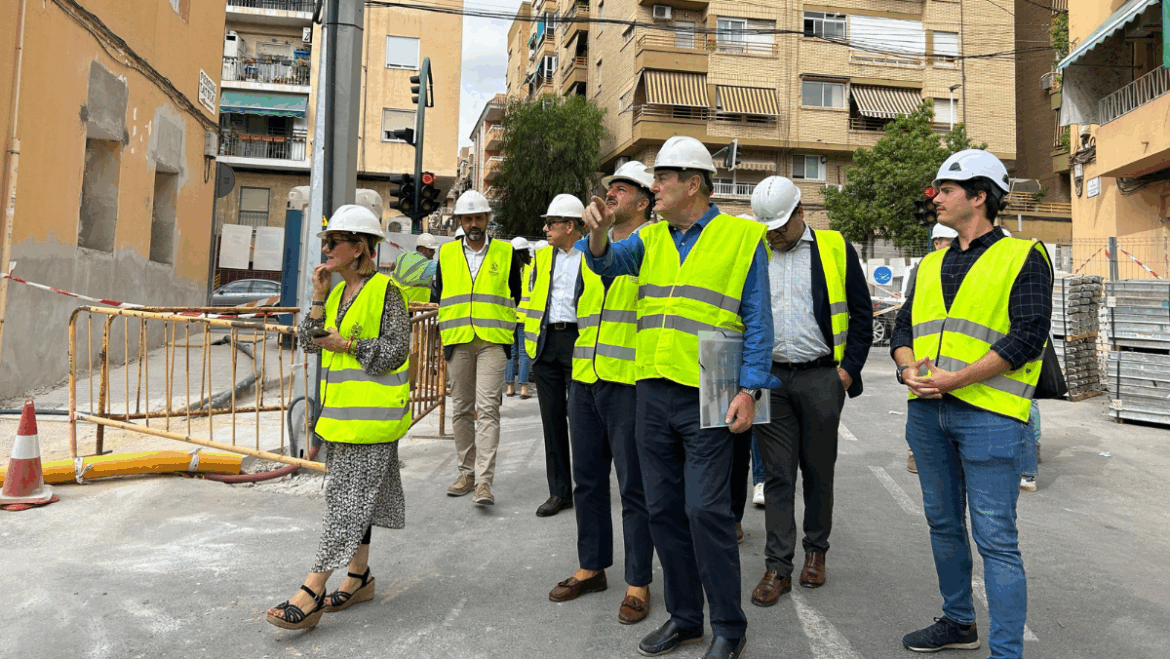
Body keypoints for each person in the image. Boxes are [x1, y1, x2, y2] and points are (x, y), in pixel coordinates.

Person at [579, 135, 779, 659]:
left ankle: (729, 627)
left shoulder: (742, 237)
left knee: (706, 510)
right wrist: (597, 235)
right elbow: (605, 265)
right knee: (662, 509)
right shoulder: (649, 237)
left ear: (693, 184)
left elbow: (758, 320)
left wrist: (751, 389)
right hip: (652, 383)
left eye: (662, 178)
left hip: (714, 382)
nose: (655, 187)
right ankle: (686, 618)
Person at [892, 149, 1052, 658]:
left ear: (980, 196)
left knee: (996, 539)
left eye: (946, 189)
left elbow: (1028, 336)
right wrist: (906, 369)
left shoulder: (1024, 256)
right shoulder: (930, 263)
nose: (935, 198)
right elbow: (903, 329)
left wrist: (957, 379)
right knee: (943, 525)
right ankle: (959, 622)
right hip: (927, 413)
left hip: (990, 416)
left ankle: (1006, 652)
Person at [266, 205, 412, 630]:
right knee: (357, 500)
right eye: (326, 242)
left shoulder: (387, 291)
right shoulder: (335, 293)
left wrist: (347, 345)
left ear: (359, 247)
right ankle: (359, 577)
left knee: (345, 503)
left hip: (373, 421)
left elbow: (395, 351)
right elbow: (310, 344)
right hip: (342, 418)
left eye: (334, 242)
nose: (326, 248)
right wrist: (316, 297)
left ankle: (311, 591)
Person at [746, 176, 873, 608]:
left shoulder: (835, 248)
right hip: (770, 379)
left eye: (780, 227)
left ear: (801, 213)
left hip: (821, 377)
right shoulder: (756, 250)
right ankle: (777, 567)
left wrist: (847, 372)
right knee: (778, 474)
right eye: (768, 229)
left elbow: (861, 314)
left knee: (818, 471)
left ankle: (816, 552)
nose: (774, 236)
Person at [549, 161, 655, 624]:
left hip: (629, 381)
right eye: (611, 186)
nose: (612, 192)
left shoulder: (655, 243)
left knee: (634, 486)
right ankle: (592, 566)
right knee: (588, 480)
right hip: (586, 377)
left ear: (644, 202)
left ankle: (638, 581)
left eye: (624, 188)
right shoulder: (590, 247)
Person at [432, 190, 524, 506]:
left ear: (487, 219)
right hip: (458, 340)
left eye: (478, 218)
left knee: (487, 409)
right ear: (460, 221)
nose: (473, 223)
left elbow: (515, 292)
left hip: (492, 342)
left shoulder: (506, 252)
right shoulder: (446, 254)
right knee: (461, 409)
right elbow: (440, 294)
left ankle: (484, 482)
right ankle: (466, 473)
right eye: (468, 218)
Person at [524, 194, 586, 517]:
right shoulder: (542, 256)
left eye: (551, 223)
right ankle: (559, 492)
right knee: (552, 421)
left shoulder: (592, 254)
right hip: (546, 342)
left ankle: (587, 489)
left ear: (570, 226)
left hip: (579, 341)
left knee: (581, 421)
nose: (546, 229)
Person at [906, 222, 960, 474]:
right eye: (948, 243)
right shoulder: (924, 268)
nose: (954, 248)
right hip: (925, 359)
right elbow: (907, 317)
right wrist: (906, 367)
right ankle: (914, 453)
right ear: (936, 243)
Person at [506, 236, 534, 399]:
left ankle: (510, 387)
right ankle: (523, 388)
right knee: (524, 353)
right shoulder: (532, 269)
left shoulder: (507, 268)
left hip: (510, 316)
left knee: (511, 352)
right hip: (526, 316)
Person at [391, 233, 439, 306]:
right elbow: (444, 268)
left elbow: (393, 267)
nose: (434, 252)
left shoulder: (404, 255)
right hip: (414, 307)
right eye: (431, 250)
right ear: (422, 250)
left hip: (394, 302)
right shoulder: (428, 264)